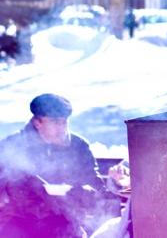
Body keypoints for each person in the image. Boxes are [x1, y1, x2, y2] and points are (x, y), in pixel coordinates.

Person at [0, 94, 118, 237]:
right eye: (55, 122)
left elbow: (94, 183)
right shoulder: (12, 146)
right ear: (38, 123)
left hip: (64, 221)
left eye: (64, 122)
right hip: (19, 223)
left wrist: (89, 192)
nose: (61, 127)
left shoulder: (78, 146)